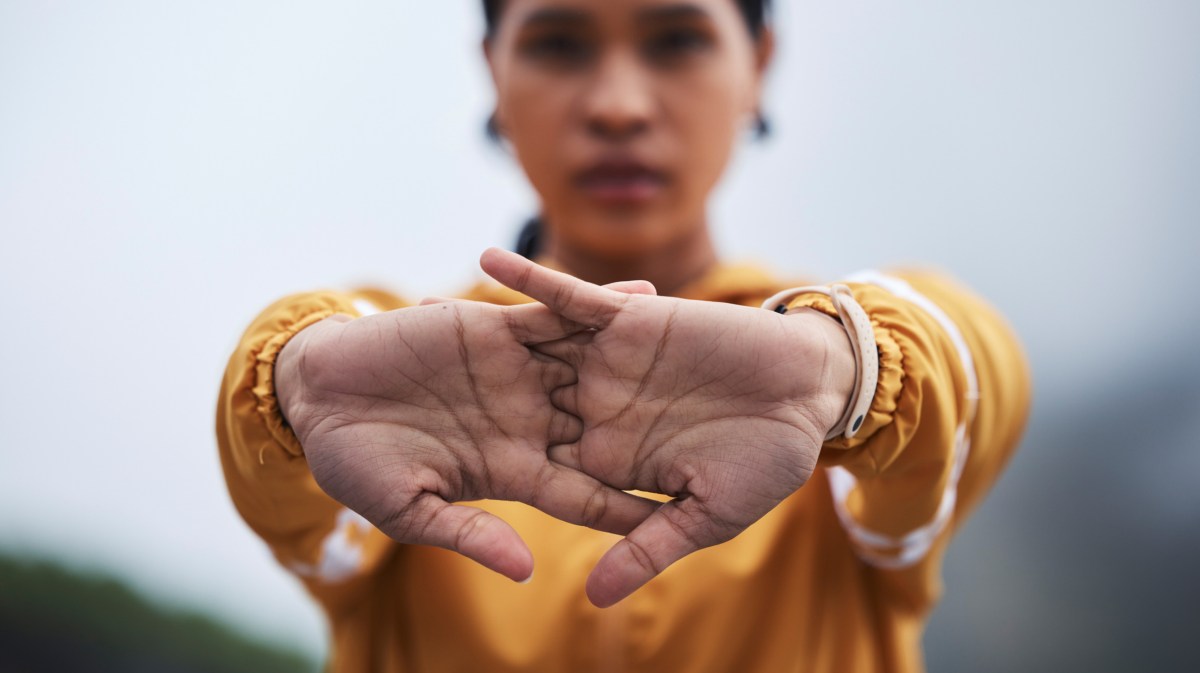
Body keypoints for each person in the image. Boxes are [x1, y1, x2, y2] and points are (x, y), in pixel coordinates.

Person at [215, 1, 1031, 671]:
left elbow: (965, 369)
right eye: (558, 43)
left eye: (677, 39)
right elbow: (301, 481)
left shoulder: (841, 397)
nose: (618, 105)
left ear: (761, 64)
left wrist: (849, 366)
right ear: (492, 74)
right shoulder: (396, 382)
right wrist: (289, 385)